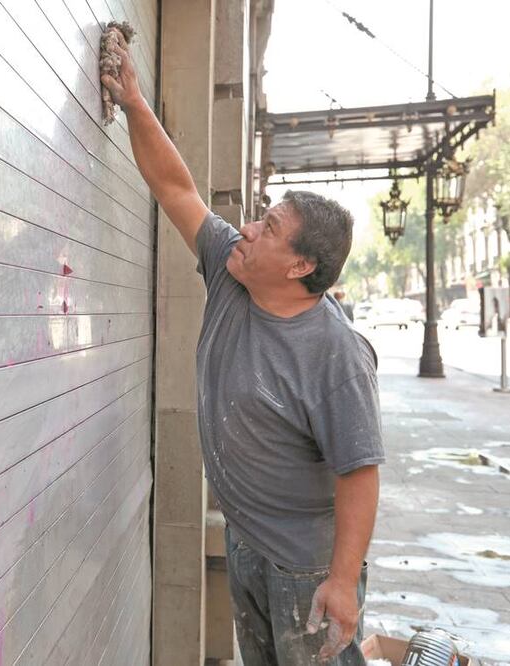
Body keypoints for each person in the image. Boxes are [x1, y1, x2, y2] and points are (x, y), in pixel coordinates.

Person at [101, 33, 383, 665]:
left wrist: (340, 582)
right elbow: (177, 190)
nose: (250, 228)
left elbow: (359, 471)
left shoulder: (333, 353)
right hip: (249, 540)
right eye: (261, 216)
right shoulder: (232, 270)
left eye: (270, 229)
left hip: (308, 568)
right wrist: (135, 103)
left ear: (299, 266)